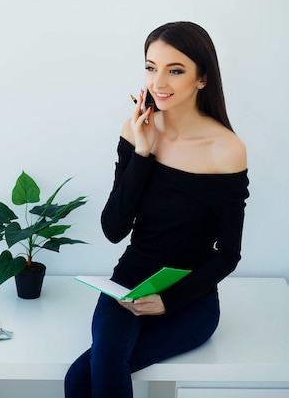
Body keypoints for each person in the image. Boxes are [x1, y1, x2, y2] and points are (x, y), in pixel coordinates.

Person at [64, 21, 249, 398]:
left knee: (87, 378)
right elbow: (113, 229)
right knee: (79, 377)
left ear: (202, 79)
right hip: (127, 283)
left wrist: (168, 300)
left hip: (190, 299)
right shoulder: (136, 131)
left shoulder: (225, 149)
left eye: (175, 70)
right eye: (151, 67)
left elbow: (228, 254)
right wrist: (143, 154)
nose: (158, 82)